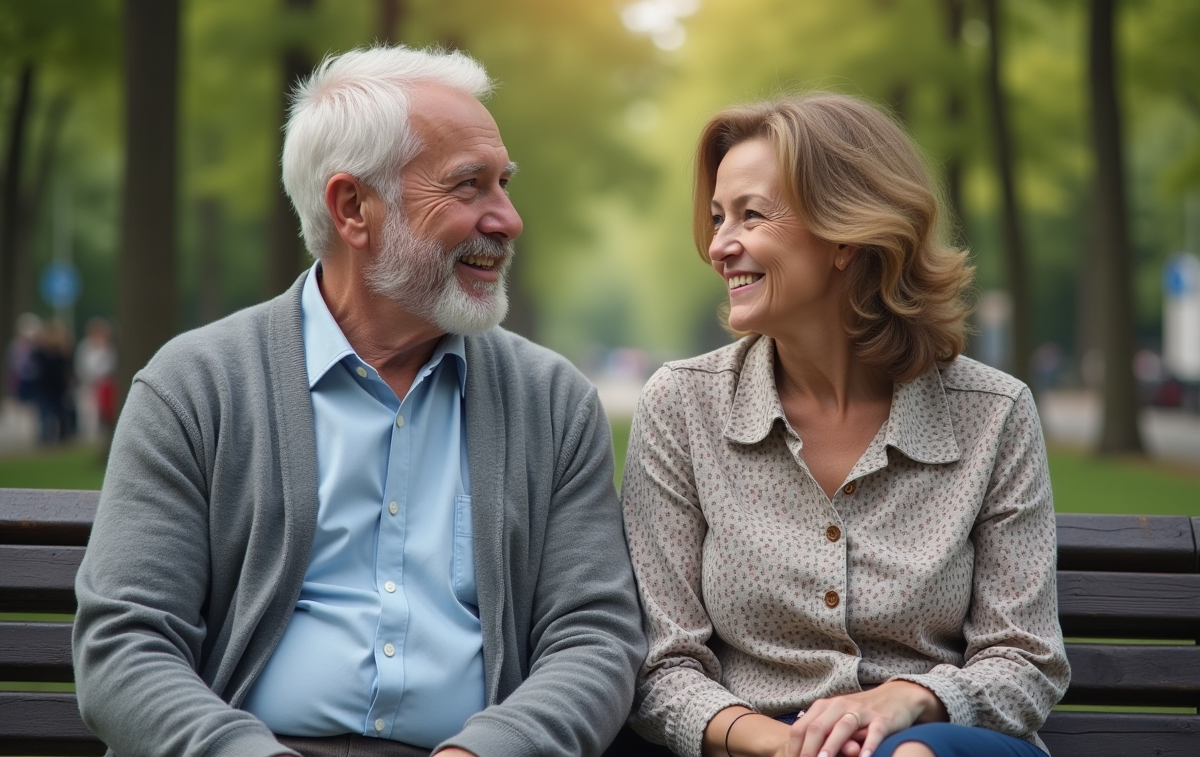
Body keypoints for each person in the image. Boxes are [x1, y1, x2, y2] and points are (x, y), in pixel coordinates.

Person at [73, 45, 644, 757]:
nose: (508, 219)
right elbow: (127, 643)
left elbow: (594, 637)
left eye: (504, 184)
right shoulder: (196, 386)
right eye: (469, 187)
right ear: (352, 208)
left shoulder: (552, 402)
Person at [620, 93, 1069, 757]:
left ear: (844, 237)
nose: (720, 246)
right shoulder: (682, 407)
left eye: (751, 216)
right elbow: (663, 664)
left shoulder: (992, 413)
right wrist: (782, 746)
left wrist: (914, 701)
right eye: (718, 218)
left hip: (941, 742)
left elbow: (1026, 660)